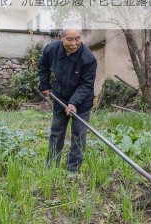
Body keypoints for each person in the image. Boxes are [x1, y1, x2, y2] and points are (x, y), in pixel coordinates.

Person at [38, 21, 97, 173]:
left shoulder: (88, 58)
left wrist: (73, 103)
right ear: (62, 37)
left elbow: (86, 85)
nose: (74, 43)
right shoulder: (51, 50)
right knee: (56, 131)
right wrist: (45, 85)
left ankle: (73, 169)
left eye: (77, 38)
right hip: (60, 96)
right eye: (69, 39)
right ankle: (51, 166)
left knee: (78, 134)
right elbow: (43, 66)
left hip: (82, 102)